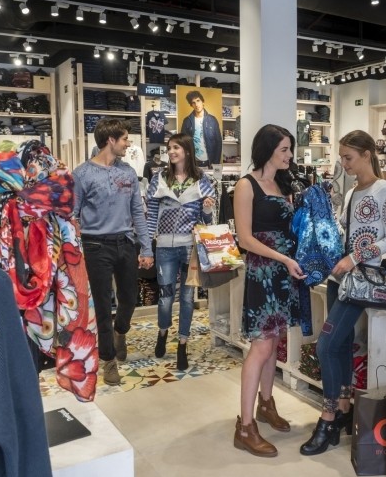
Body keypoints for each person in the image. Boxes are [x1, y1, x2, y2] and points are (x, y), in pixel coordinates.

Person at [301, 130, 386, 456]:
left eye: (349, 157)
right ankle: (343, 407)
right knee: (341, 344)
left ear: (366, 155)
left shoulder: (383, 189)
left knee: (326, 345)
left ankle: (328, 418)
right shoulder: (352, 192)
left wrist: (355, 257)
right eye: (342, 157)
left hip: (362, 279)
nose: (343, 163)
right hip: (339, 278)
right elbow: (345, 232)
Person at [233, 124, 305, 458]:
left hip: (284, 273)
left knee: (274, 342)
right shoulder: (245, 186)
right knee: (261, 346)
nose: (289, 155)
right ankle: (245, 427)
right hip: (264, 272)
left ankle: (266, 404)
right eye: (284, 150)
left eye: (290, 149)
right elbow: (245, 239)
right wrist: (284, 259)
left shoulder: (283, 184)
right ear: (267, 151)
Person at [72, 118, 153, 386]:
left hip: (125, 242)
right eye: (125, 139)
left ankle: (121, 331)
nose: (128, 144)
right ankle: (108, 360)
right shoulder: (82, 174)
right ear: (111, 140)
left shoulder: (128, 172)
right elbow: (73, 214)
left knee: (129, 299)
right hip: (95, 246)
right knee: (103, 305)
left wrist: (146, 247)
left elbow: (137, 212)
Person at [145, 133, 216, 370]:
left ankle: (182, 344)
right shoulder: (159, 178)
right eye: (169, 148)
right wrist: (147, 244)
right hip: (164, 247)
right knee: (165, 297)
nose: (171, 152)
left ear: (186, 150)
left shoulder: (201, 180)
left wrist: (207, 209)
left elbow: (206, 220)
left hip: (189, 247)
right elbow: (151, 215)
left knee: (187, 298)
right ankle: (163, 331)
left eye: (176, 147)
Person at [181, 90, 222, 168]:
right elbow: (183, 143)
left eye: (198, 101)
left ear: (203, 102)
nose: (196, 105)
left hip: (209, 162)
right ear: (191, 105)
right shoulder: (187, 121)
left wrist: (216, 162)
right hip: (193, 162)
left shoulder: (212, 120)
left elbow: (218, 142)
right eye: (193, 103)